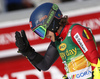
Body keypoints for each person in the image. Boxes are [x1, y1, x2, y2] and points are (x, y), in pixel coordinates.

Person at [15, 2, 100, 79]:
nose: (44, 36)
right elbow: (45, 65)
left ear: (51, 22)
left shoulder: (75, 31)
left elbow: (96, 63)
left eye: (42, 31)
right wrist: (28, 52)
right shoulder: (58, 40)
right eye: (39, 33)